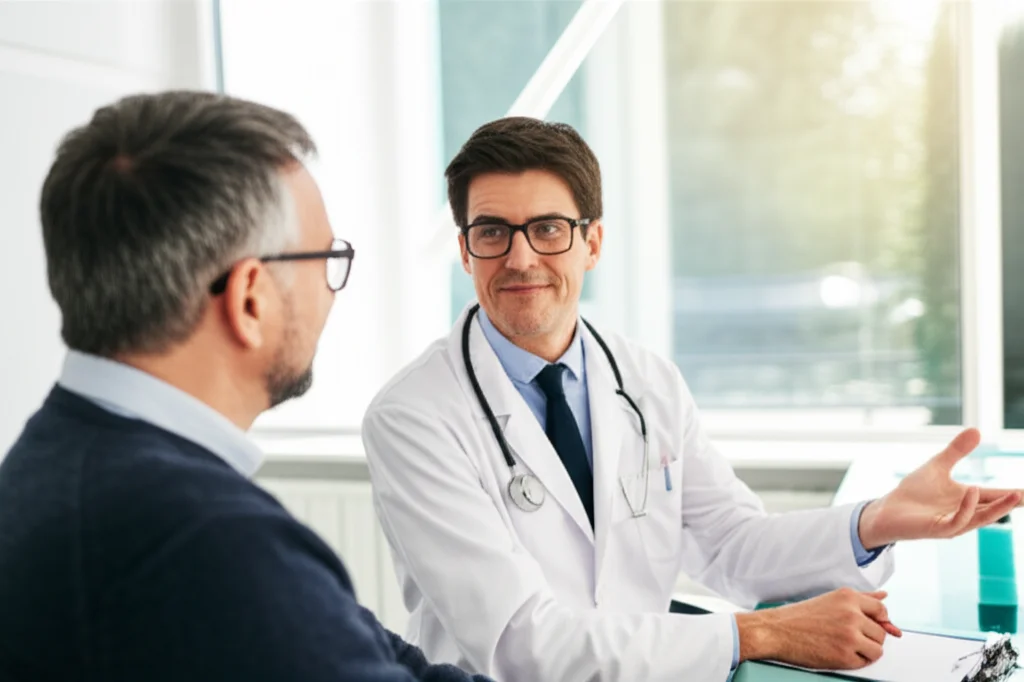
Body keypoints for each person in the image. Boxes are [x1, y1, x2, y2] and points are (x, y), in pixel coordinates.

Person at [361, 116, 1024, 681]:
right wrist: (759, 634)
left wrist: (875, 521)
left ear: (592, 242)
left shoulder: (646, 380)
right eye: (492, 232)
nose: (520, 257)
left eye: (549, 228)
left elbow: (733, 546)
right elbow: (520, 644)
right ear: (465, 250)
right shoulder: (413, 418)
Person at [0, 91, 493, 682]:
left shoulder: (55, 463)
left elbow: (378, 654)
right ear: (250, 299)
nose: (332, 290)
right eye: (325, 260)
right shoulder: (200, 540)